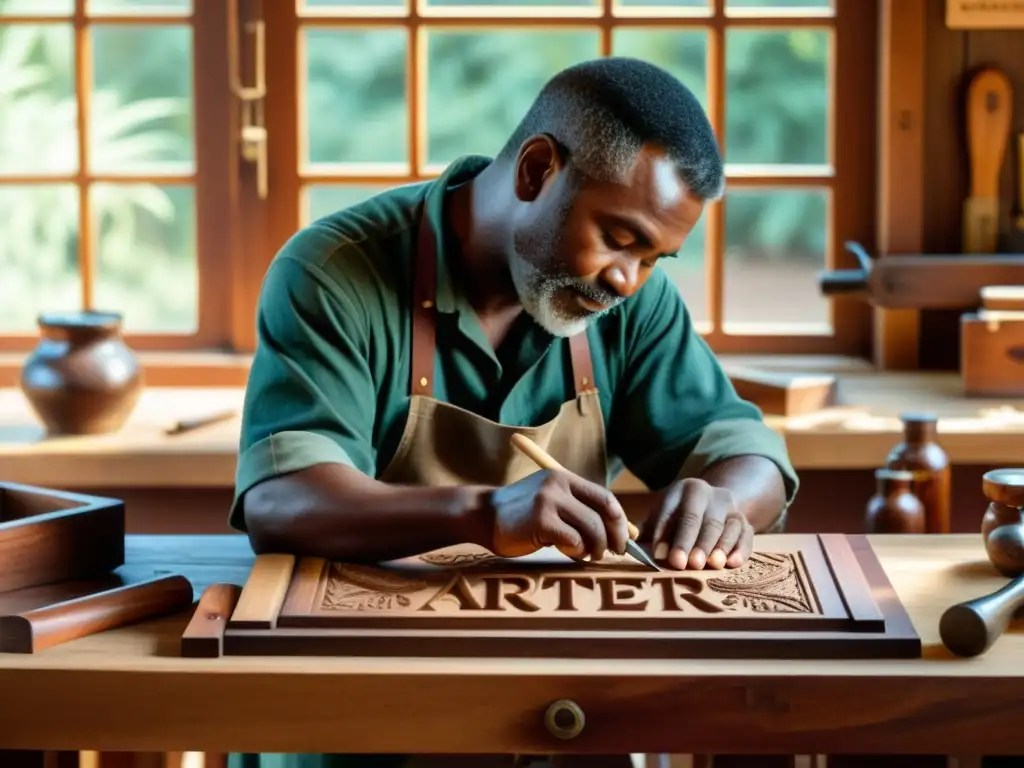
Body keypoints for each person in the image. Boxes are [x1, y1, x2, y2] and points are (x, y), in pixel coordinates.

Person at [227, 57, 799, 768]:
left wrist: (724, 501)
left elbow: (750, 452)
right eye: (619, 238)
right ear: (536, 171)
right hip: (360, 711)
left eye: (656, 257)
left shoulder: (630, 302)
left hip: (560, 715)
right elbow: (282, 500)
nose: (628, 280)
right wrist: (484, 513)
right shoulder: (334, 272)